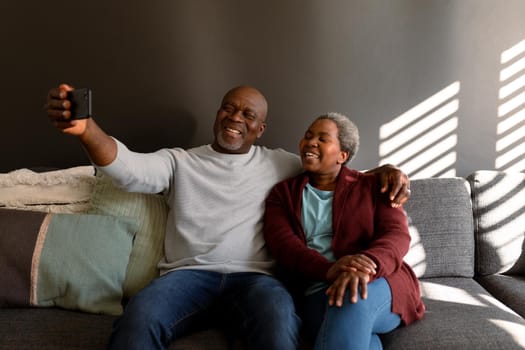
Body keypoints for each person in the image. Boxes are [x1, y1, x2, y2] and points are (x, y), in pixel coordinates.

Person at [45, 84, 411, 350]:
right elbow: (127, 168)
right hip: (187, 277)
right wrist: (86, 130)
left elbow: (338, 171)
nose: (235, 118)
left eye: (247, 114)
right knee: (138, 319)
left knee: (280, 322)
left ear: (260, 128)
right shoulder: (179, 161)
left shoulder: (281, 164)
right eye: (228, 108)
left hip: (255, 281)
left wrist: (386, 172)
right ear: (218, 113)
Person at [263, 112, 424, 350]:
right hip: (317, 292)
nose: (311, 142)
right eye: (308, 136)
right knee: (366, 343)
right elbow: (284, 246)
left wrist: (366, 265)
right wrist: (329, 270)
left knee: (353, 295)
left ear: (342, 155)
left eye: (322, 138)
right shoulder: (283, 194)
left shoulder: (374, 187)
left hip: (379, 284)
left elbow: (396, 235)